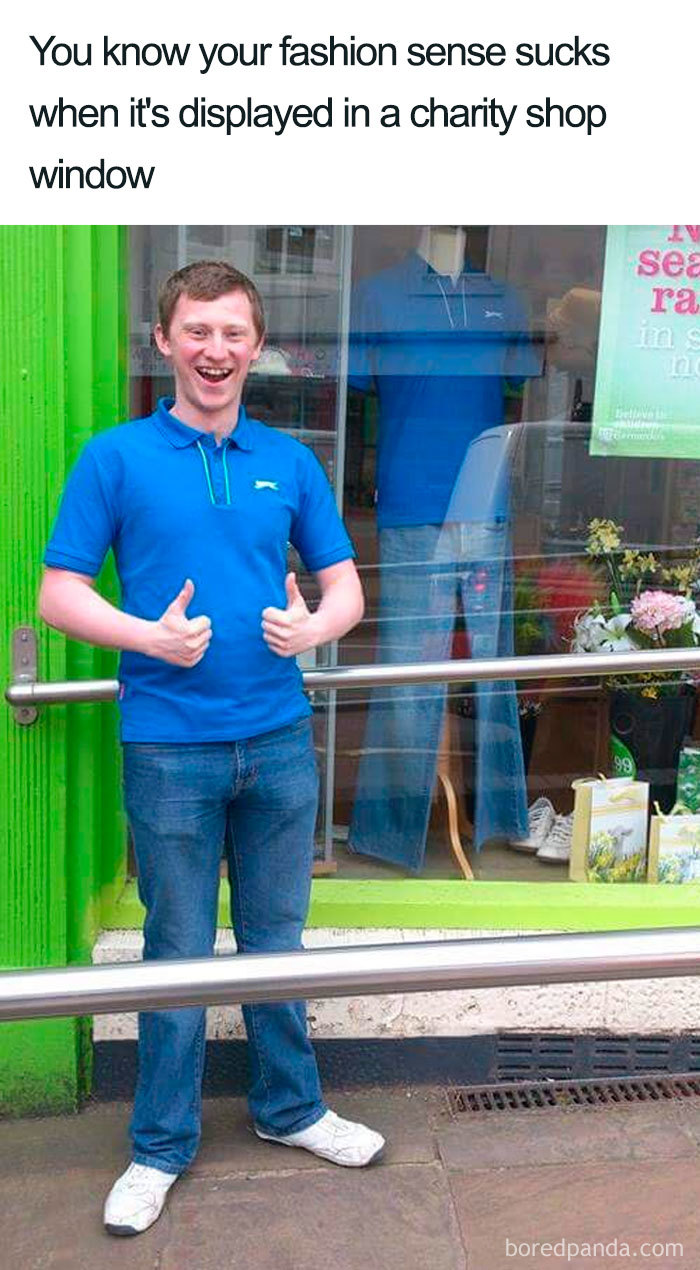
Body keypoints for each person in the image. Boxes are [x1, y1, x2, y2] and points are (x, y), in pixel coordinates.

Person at [39, 260, 385, 1238]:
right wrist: (149, 637)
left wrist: (313, 629)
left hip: (276, 744)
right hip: (169, 749)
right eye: (197, 330)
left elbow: (345, 586)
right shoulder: (114, 458)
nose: (215, 349)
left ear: (255, 343)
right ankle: (158, 1146)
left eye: (233, 332)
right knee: (176, 952)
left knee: (277, 941)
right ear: (165, 340)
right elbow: (57, 591)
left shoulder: (290, 461)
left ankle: (290, 1110)